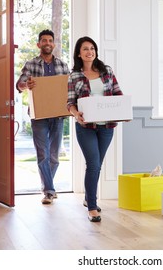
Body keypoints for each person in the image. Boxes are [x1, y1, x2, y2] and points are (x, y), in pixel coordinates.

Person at [67, 36, 124, 222]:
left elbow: (118, 94)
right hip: (86, 127)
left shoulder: (106, 71)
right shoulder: (74, 75)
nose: (89, 51)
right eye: (85, 49)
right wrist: (76, 114)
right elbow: (70, 103)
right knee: (93, 164)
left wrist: (123, 112)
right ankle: (92, 206)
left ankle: (87, 197)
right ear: (79, 53)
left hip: (107, 126)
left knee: (97, 165)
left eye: (92, 48)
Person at [16, 29, 70, 205]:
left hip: (58, 114)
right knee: (43, 154)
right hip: (39, 115)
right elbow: (19, 85)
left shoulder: (62, 65)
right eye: (44, 40)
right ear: (38, 44)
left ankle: (48, 186)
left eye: (50, 40)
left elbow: (68, 89)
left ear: (53, 44)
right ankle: (49, 190)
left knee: (54, 156)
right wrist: (27, 84)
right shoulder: (31, 64)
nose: (47, 43)